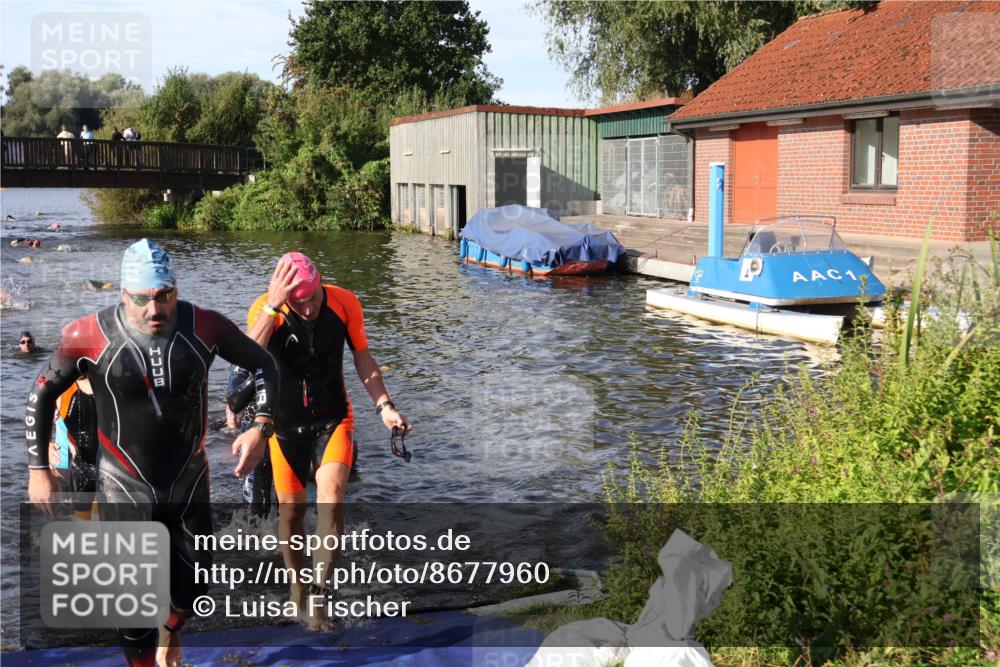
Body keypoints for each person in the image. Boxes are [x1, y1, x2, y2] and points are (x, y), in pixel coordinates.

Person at [26, 239, 280, 667]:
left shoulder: (204, 326)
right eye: (142, 299)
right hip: (123, 483)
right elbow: (41, 393)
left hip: (188, 479)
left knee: (195, 590)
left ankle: (172, 630)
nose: (154, 309)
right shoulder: (89, 335)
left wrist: (261, 427)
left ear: (176, 290)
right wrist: (38, 470)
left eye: (164, 296)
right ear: (124, 295)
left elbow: (265, 365)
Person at [246, 252, 411, 627]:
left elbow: (363, 358)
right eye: (297, 302)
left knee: (332, 499)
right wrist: (273, 307)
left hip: (332, 417)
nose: (307, 309)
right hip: (283, 424)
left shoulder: (344, 302)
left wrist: (384, 406)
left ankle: (319, 600)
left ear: (321, 284)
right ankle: (297, 593)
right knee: (291, 513)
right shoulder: (264, 307)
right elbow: (247, 359)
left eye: (312, 298)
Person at [47, 377, 98, 520]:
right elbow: (39, 415)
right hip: (63, 465)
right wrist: (46, 446)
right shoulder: (60, 384)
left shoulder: (105, 382)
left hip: (101, 468)